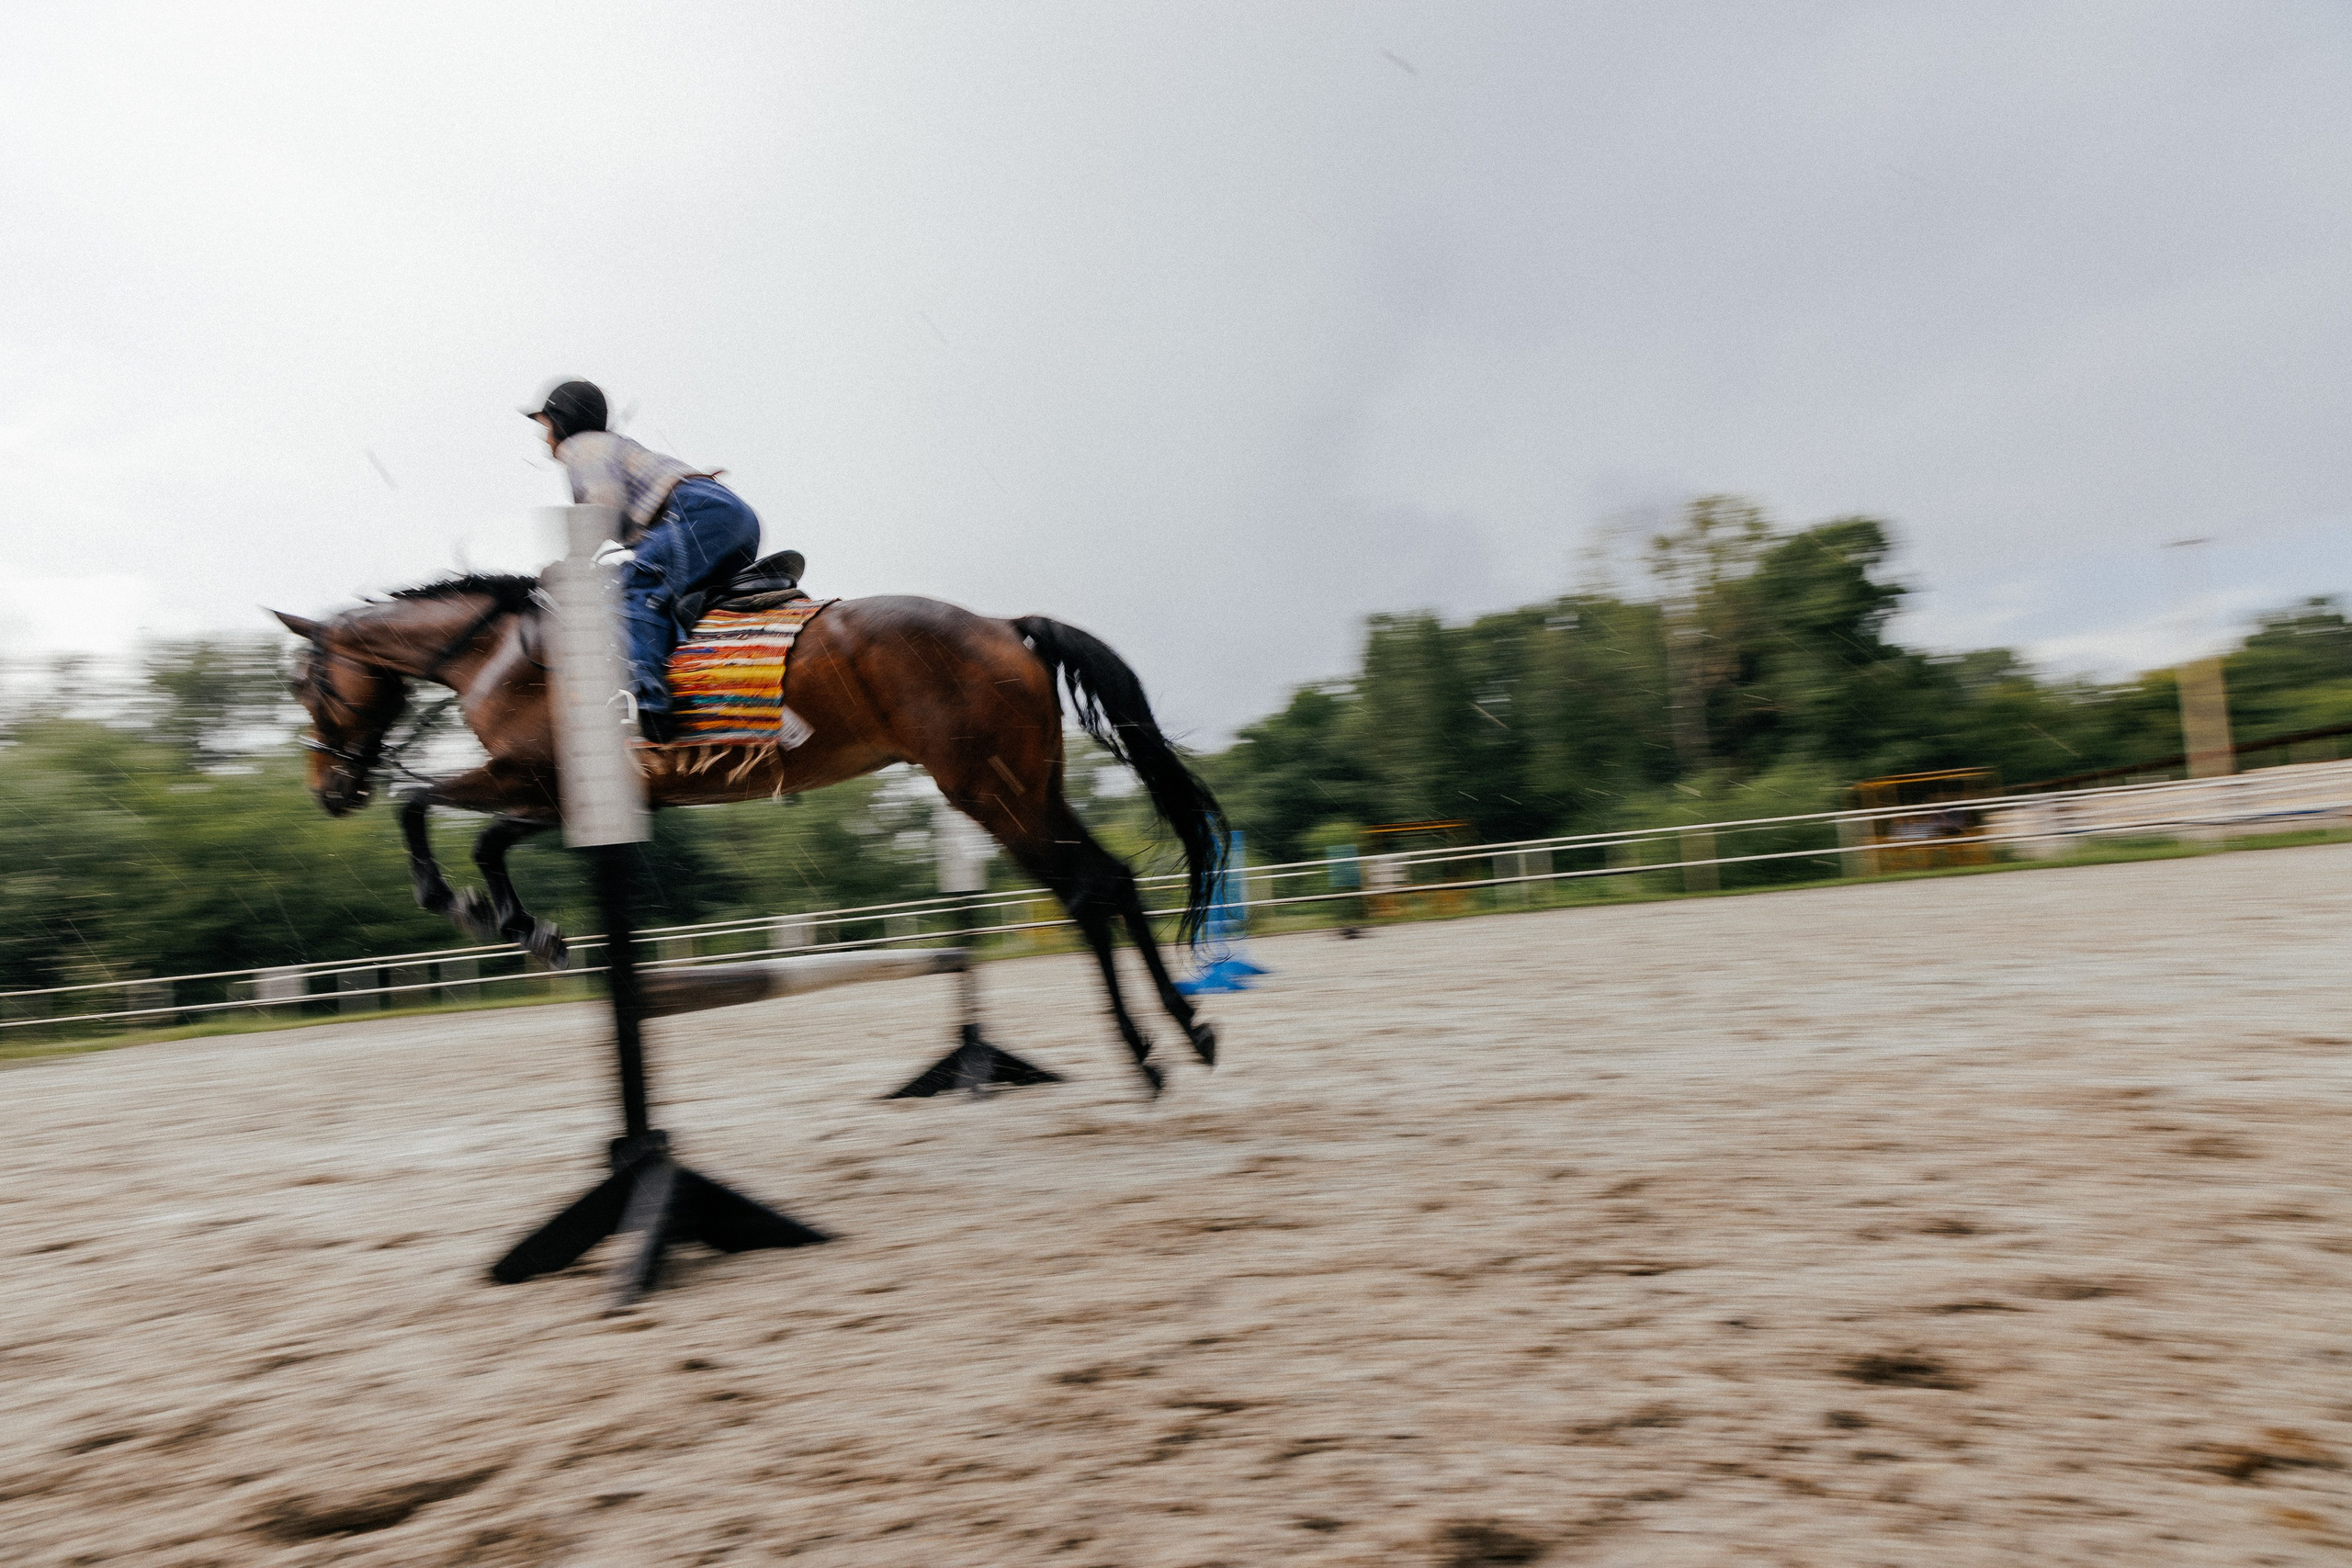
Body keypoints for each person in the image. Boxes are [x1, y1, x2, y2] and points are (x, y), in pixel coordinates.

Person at [525, 379, 763, 742]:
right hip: (727, 517)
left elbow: (602, 510)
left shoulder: (582, 447)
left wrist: (571, 563)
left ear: (562, 421)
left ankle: (646, 701)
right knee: (662, 595)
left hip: (695, 514)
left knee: (632, 590)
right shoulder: (614, 446)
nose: (544, 439)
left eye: (545, 426)